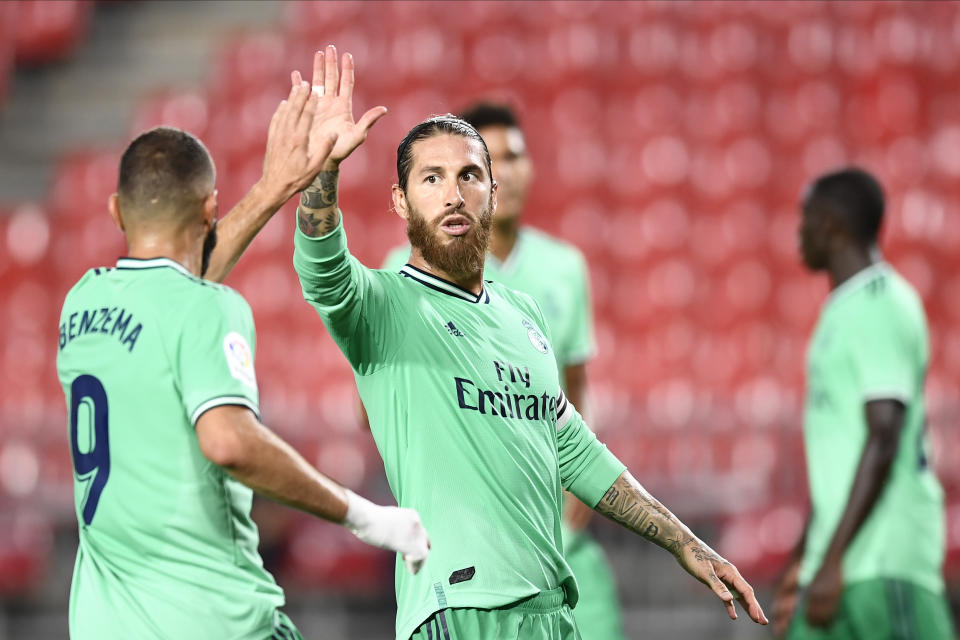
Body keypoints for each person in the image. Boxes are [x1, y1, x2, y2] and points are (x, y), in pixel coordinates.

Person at [281, 44, 767, 640]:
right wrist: (323, 174)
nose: (453, 193)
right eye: (431, 178)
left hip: (548, 609)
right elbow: (322, 268)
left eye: (469, 175)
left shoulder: (524, 313)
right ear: (401, 202)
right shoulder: (385, 304)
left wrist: (684, 542)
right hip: (457, 610)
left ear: (494, 191)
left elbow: (574, 446)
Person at [56, 72, 430, 640]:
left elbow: (167, 291)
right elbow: (228, 440)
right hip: (213, 620)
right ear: (209, 208)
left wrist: (274, 186)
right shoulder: (210, 308)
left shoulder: (80, 306)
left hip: (102, 624)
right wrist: (365, 514)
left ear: (115, 210)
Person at [381, 101, 625, 640]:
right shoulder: (411, 276)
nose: (507, 173)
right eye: (451, 174)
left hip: (555, 549)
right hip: (467, 574)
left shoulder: (563, 269)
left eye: (512, 158)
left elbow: (574, 400)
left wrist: (573, 507)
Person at [771, 168, 955, 639]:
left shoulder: (881, 302)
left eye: (805, 219)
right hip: (836, 563)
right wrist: (803, 562)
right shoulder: (841, 310)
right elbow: (841, 459)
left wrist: (831, 562)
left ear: (831, 223)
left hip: (883, 561)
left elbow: (884, 435)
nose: (800, 233)